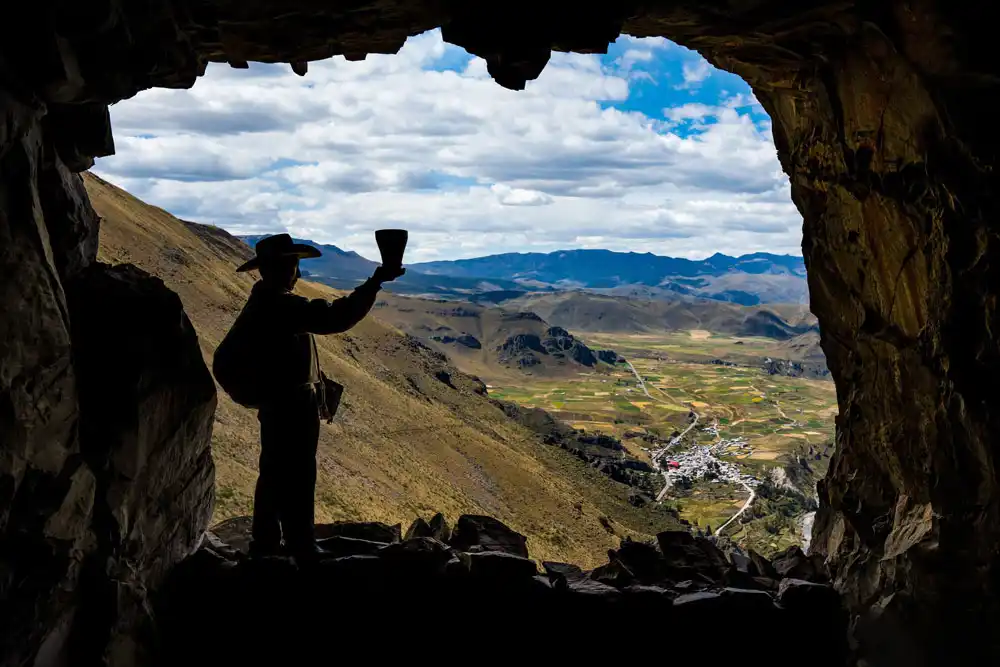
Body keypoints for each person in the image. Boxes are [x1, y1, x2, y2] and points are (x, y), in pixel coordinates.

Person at [232, 234, 404, 558]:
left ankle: (268, 545)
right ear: (284, 267)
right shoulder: (280, 305)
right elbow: (335, 316)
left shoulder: (268, 302)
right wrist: (376, 281)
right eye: (294, 264)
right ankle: (298, 547)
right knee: (297, 475)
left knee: (276, 474)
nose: (297, 273)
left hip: (281, 405)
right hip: (290, 408)